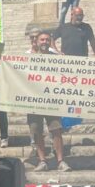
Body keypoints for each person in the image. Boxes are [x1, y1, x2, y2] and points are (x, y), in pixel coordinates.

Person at [26, 31, 72, 172]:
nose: (44, 42)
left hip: (52, 101)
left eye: (47, 40)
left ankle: (60, 161)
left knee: (56, 130)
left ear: (50, 41)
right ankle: (42, 161)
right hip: (34, 100)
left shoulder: (57, 58)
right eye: (42, 40)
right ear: (37, 41)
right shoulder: (28, 58)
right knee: (37, 132)